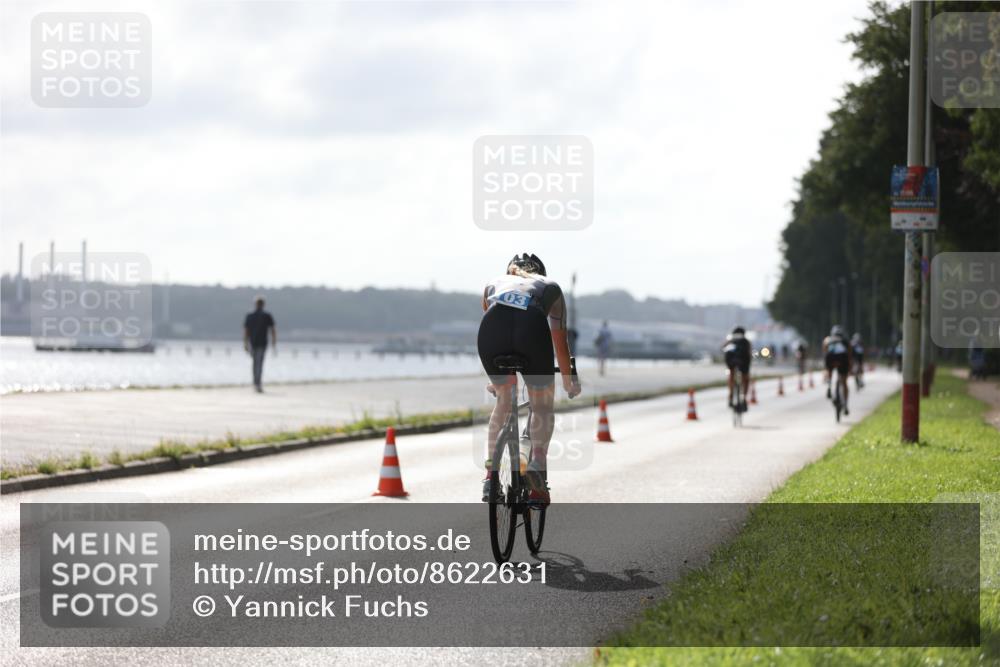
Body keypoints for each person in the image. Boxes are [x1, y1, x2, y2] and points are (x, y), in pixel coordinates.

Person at [478, 253, 581, 506]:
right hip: (532, 329)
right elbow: (560, 342)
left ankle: (490, 476)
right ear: (540, 273)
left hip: (491, 330)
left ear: (509, 272)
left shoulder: (493, 283)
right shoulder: (551, 288)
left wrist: (498, 382)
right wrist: (568, 380)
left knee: (504, 399)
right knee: (542, 405)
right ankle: (536, 466)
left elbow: (500, 324)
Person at [243, 296, 276, 392]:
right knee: (259, 363)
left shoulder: (250, 315)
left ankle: (256, 382)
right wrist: (274, 342)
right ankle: (257, 383)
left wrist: (245, 343)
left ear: (255, 304)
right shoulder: (267, 316)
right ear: (263, 304)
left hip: (253, 342)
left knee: (255, 363)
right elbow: (273, 330)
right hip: (262, 343)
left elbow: (246, 331)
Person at [823, 325, 853, 415]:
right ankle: (846, 405)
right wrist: (850, 367)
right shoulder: (845, 341)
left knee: (829, 371)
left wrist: (827, 367)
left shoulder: (828, 339)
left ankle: (829, 385)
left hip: (830, 358)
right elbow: (849, 355)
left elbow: (825, 350)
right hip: (842, 359)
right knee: (844, 382)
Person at [722, 326, 751, 411]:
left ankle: (731, 396)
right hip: (743, 361)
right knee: (745, 378)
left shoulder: (730, 340)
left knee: (731, 375)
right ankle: (744, 398)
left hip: (731, 361)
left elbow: (723, 348)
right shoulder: (746, 342)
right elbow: (749, 355)